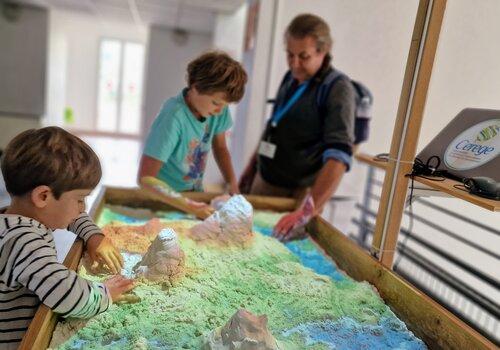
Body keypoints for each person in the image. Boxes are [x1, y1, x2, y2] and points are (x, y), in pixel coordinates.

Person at [0, 127, 134, 348]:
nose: (83, 208)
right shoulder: (25, 242)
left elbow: (68, 215)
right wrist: (106, 293)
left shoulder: (17, 217)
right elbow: (65, 293)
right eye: (80, 199)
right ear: (43, 195)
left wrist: (94, 237)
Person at [239, 14, 355, 241]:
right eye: (290, 55)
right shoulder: (290, 78)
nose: (294, 64)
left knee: (279, 247)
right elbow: (273, 125)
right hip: (265, 178)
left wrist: (306, 211)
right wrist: (252, 166)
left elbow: (339, 157)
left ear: (324, 51)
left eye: (303, 56)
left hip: (298, 193)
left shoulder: (338, 88)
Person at [138, 51, 247, 218]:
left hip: (193, 194)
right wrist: (190, 206)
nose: (220, 111)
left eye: (225, 106)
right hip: (164, 201)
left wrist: (232, 182)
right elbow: (145, 178)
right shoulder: (173, 117)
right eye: (216, 103)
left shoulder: (218, 111)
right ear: (195, 86)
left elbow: (220, 147)